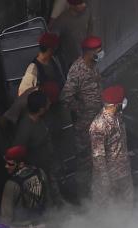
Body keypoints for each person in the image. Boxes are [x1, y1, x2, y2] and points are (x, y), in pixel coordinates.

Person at [61, 35, 105, 196]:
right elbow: (65, 98)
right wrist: (80, 109)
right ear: (88, 52)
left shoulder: (93, 64)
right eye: (98, 51)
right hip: (85, 123)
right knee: (85, 158)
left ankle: (97, 189)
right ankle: (83, 194)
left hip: (97, 117)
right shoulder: (77, 71)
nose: (101, 53)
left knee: (98, 155)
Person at [89, 85, 133, 210]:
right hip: (109, 177)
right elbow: (98, 156)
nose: (124, 102)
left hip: (123, 172)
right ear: (115, 104)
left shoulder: (117, 116)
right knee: (108, 211)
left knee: (125, 206)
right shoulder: (99, 125)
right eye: (122, 100)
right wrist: (105, 180)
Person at [1, 146, 49, 228]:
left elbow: (6, 216)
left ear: (21, 164)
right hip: (40, 227)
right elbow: (47, 199)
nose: (6, 166)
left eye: (10, 164)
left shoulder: (11, 184)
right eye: (6, 163)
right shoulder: (40, 173)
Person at [18, 31, 65, 96]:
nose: (58, 48)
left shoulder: (54, 60)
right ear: (50, 49)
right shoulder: (33, 69)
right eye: (56, 46)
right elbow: (22, 94)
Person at [49, 0, 91, 68]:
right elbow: (52, 30)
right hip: (69, 56)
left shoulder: (86, 13)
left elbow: (89, 30)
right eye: (79, 4)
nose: (84, 5)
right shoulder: (62, 19)